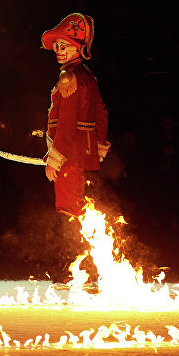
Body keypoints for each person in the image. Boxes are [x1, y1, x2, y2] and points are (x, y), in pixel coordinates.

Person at [41, 13, 110, 217]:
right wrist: (98, 143)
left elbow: (67, 121)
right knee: (77, 200)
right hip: (81, 148)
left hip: (68, 151)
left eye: (64, 46)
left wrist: (55, 158)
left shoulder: (68, 76)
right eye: (57, 47)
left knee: (68, 207)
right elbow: (101, 112)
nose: (59, 51)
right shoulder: (87, 75)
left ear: (77, 48)